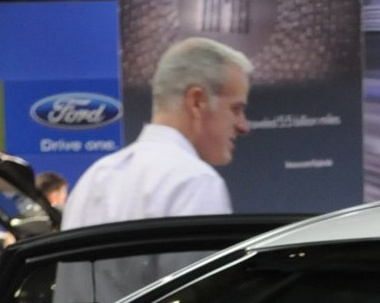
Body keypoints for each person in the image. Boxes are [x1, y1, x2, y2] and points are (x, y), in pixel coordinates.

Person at [63, 36, 251, 227]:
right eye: (236, 109)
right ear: (197, 102)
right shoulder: (195, 182)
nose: (243, 126)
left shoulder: (91, 181)